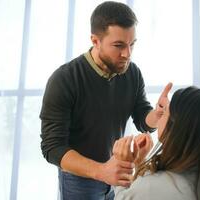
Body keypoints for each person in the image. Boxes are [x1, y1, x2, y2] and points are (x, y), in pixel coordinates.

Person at [39, 1, 172, 200]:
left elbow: (142, 118)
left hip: (116, 173)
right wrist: (102, 171)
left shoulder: (132, 72)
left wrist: (156, 115)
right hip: (79, 180)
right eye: (118, 45)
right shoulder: (64, 79)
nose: (127, 54)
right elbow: (52, 148)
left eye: (132, 44)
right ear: (95, 40)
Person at [113, 86, 200, 200]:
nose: (160, 116)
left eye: (165, 111)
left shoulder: (154, 186)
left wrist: (122, 164)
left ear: (177, 128)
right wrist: (140, 164)